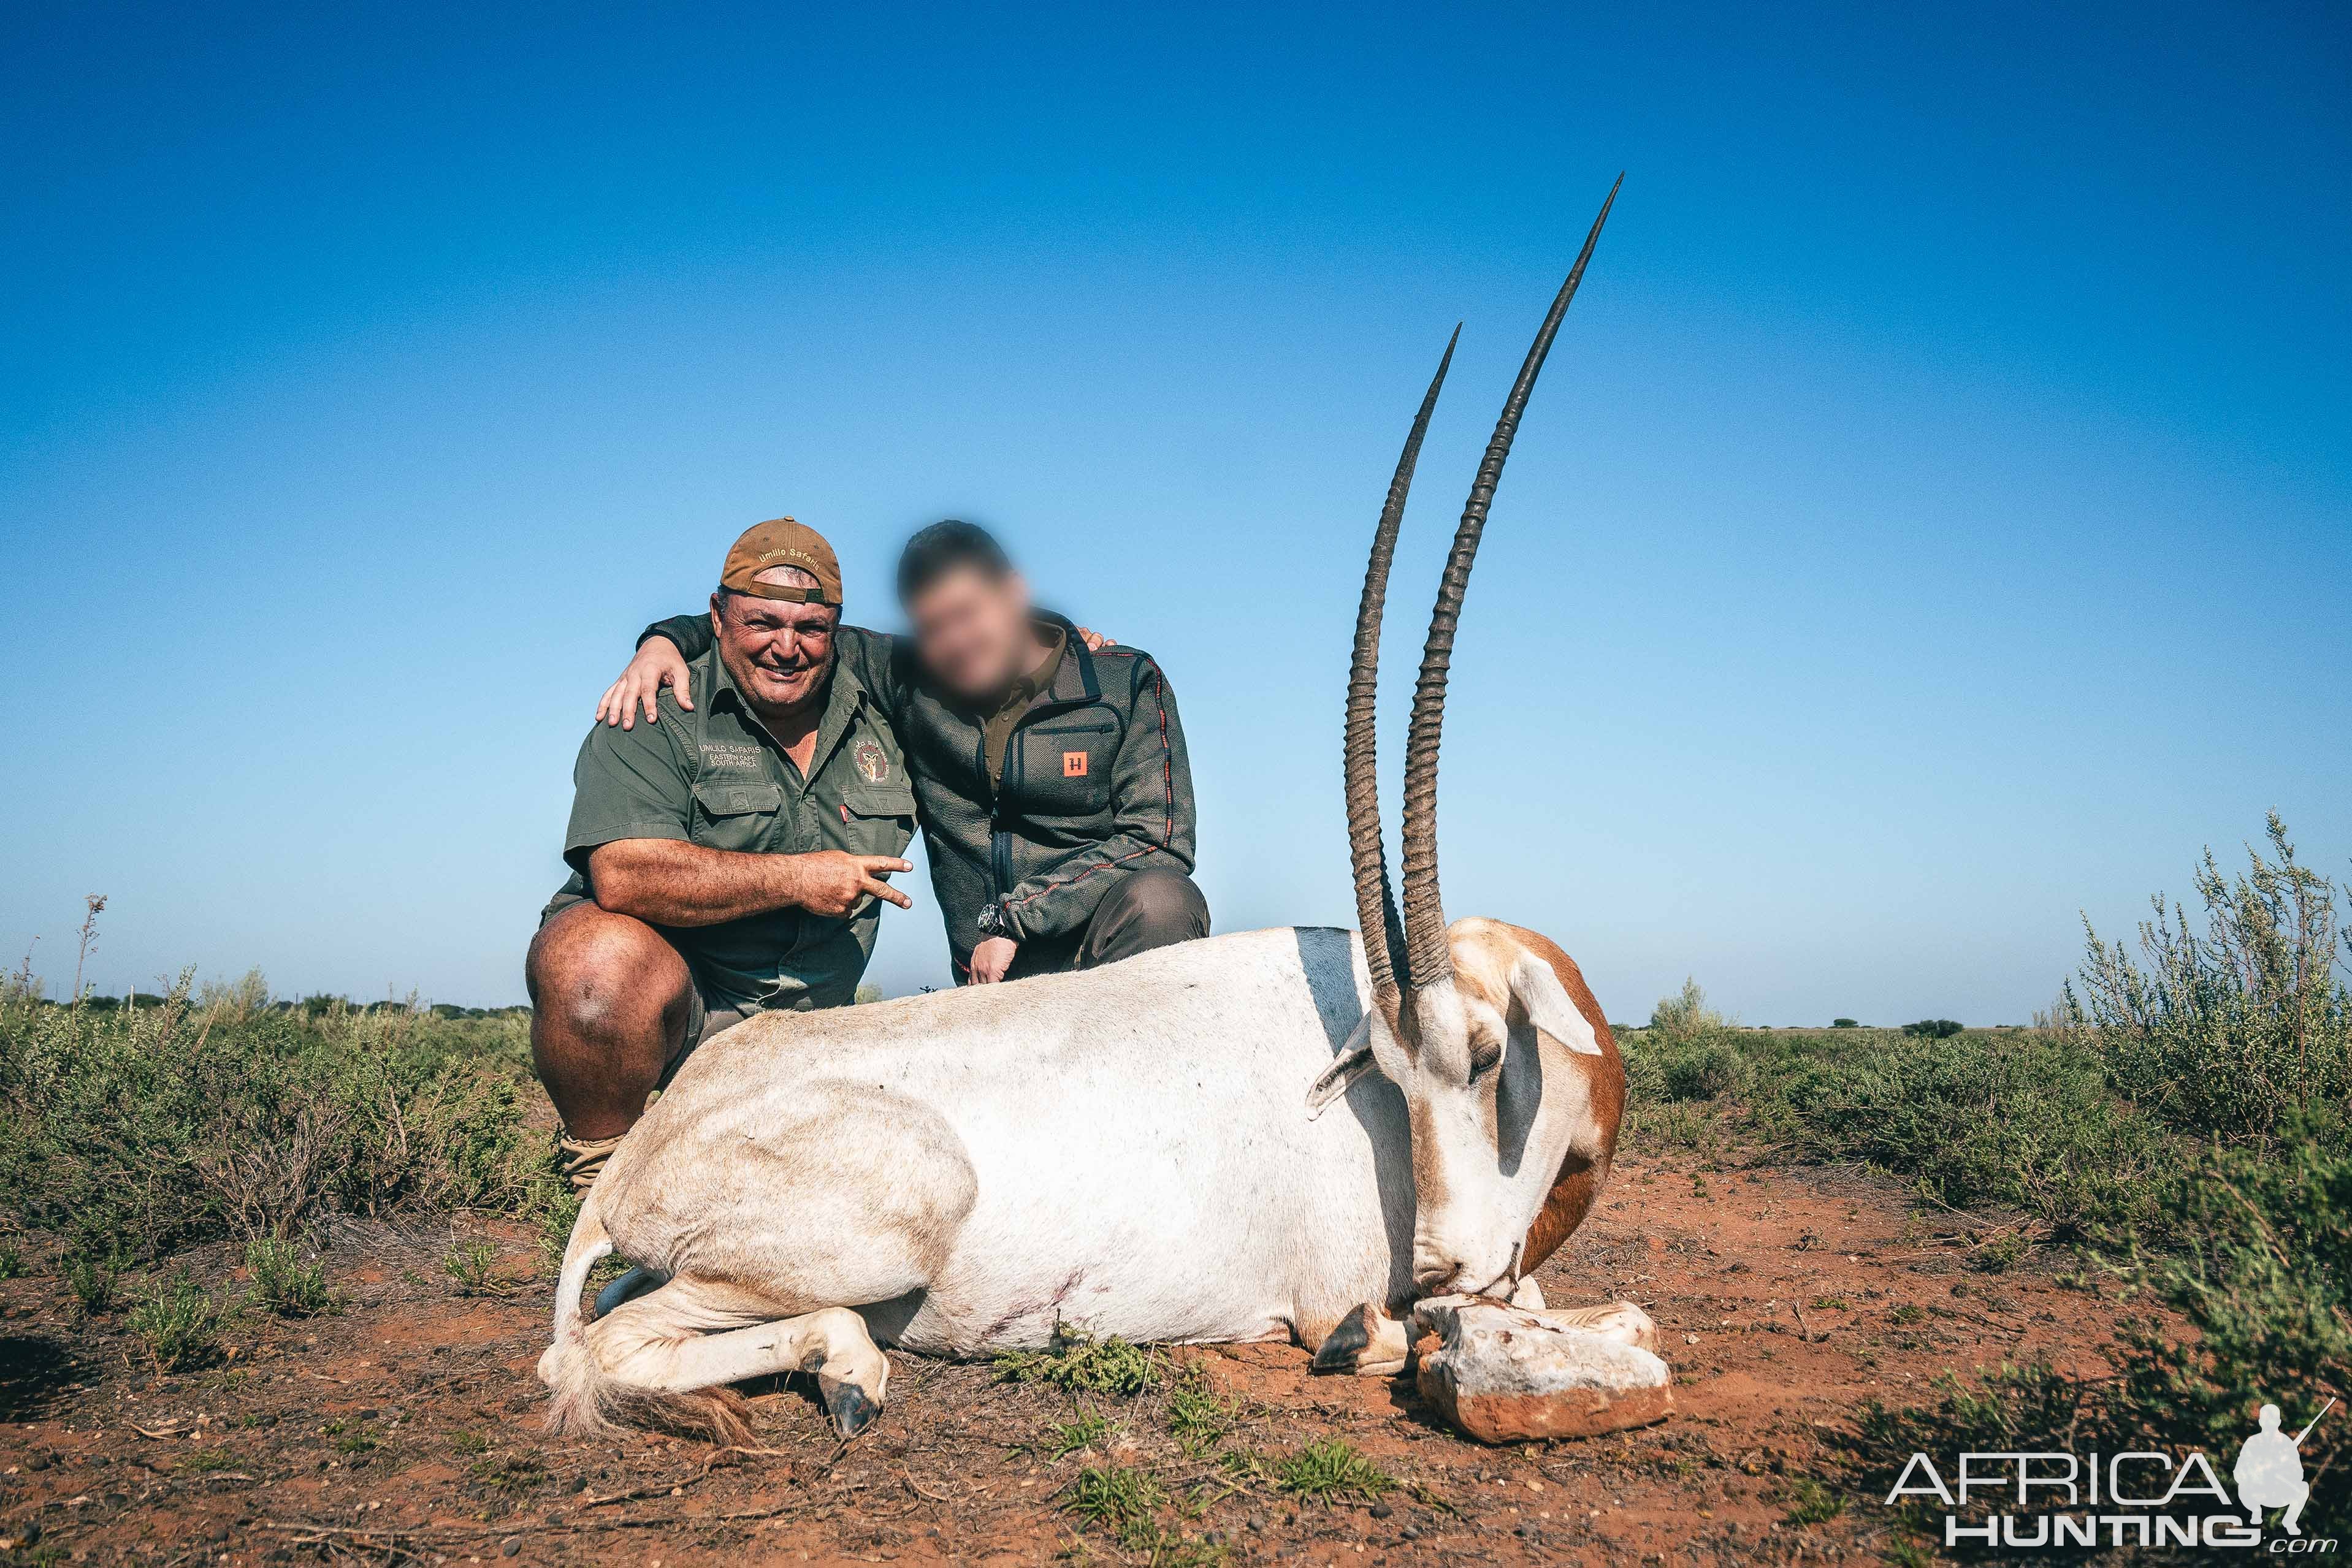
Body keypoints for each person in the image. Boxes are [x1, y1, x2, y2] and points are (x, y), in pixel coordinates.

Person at [600, 519, 1207, 986]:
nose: (956, 641)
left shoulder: (1124, 683)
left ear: (1013, 593)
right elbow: (778, 627)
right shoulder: (906, 672)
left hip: (1101, 951)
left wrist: (1017, 917)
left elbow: (1159, 838)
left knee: (1165, 899)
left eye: (969, 614)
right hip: (987, 977)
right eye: (933, 625)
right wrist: (661, 642)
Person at [530, 517, 917, 1192]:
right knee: (594, 967)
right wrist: (796, 878)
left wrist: (1066, 645)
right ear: (716, 615)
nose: (786, 646)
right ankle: (603, 1181)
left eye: (811, 628)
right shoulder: (654, 707)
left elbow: (984, 655)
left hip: (823, 1032)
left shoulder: (890, 708)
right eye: (761, 621)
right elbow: (622, 872)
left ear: (837, 629)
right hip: (694, 1010)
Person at [2234, 1402, 2313, 1536]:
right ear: (2260, 1422)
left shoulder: (2287, 1443)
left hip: (2279, 1492)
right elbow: (2239, 1473)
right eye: (2266, 1420)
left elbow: (2299, 1474)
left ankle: (2290, 1521)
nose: (2269, 1424)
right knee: (2243, 1487)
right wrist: (2257, 1473)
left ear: (2278, 1422)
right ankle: (2255, 1511)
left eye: (2272, 1421)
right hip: (2257, 1492)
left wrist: (2282, 1470)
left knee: (2303, 1488)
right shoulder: (2252, 1443)